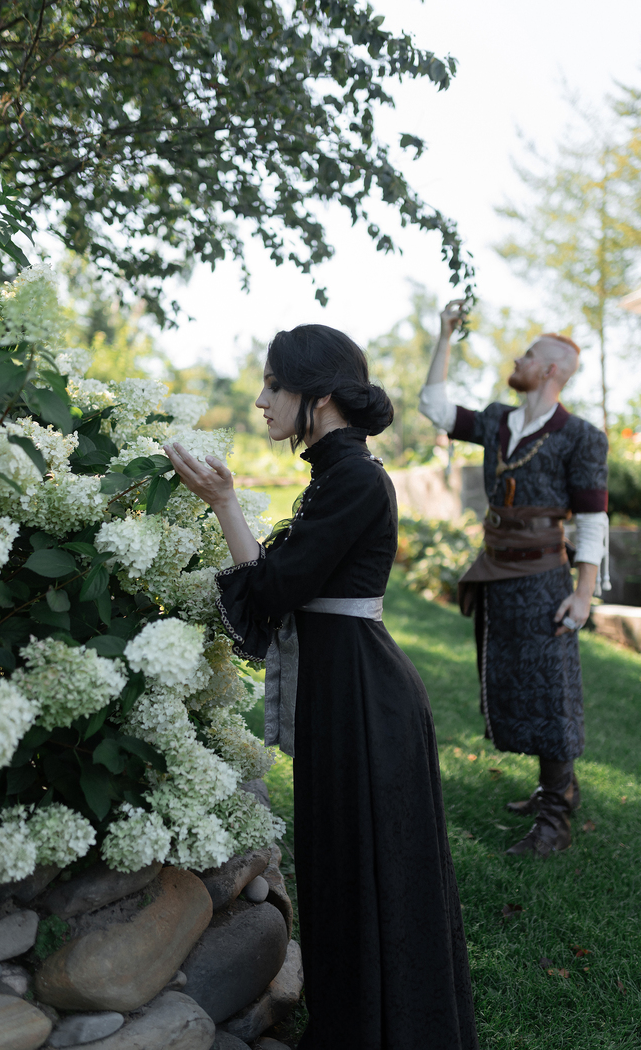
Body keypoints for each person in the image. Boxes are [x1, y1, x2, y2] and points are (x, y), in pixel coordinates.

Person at [163, 324, 478, 1050]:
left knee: (369, 868)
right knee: (340, 867)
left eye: (276, 385)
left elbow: (272, 587)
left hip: (366, 701)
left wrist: (223, 503)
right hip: (344, 692)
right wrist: (225, 506)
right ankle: (354, 1024)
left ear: (322, 396)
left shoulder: (357, 479)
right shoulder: (335, 475)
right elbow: (274, 593)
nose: (262, 399)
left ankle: (382, 1031)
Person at [419, 301, 609, 857]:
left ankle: (555, 815)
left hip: (546, 578)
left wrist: (582, 593)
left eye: (528, 354)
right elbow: (434, 405)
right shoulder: (499, 420)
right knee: (511, 682)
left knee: (551, 690)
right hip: (497, 570)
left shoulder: (582, 437)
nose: (518, 358)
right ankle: (558, 786)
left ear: (550, 371)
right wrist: (444, 335)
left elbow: (593, 520)